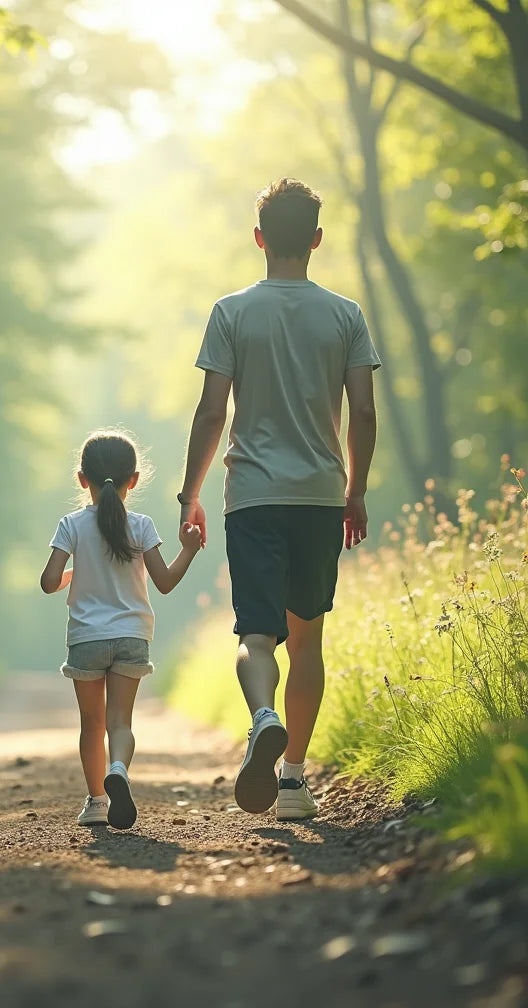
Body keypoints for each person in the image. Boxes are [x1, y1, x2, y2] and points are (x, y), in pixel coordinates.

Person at [177, 178, 380, 821]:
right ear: (316, 240)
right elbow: (364, 412)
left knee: (256, 634)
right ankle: (292, 778)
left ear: (259, 237)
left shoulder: (231, 312)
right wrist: (356, 492)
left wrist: (191, 494)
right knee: (308, 639)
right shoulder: (345, 315)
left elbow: (212, 413)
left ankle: (263, 716)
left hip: (254, 496)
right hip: (320, 497)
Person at [42, 430, 202, 829]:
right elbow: (164, 582)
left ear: (82, 479)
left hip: (86, 639)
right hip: (132, 636)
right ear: (134, 480)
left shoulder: (71, 524)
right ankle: (119, 768)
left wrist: (73, 573)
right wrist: (189, 548)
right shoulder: (142, 525)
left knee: (91, 725)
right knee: (120, 723)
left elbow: (48, 581)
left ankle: (97, 801)